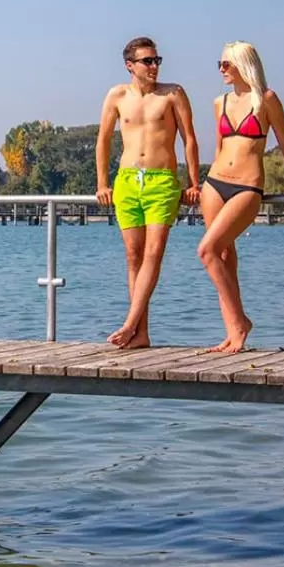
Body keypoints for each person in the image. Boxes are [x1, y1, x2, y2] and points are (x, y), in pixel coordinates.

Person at [198, 41, 284, 354]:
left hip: (247, 186)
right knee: (222, 256)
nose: (221, 70)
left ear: (243, 65)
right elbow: (219, 148)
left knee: (206, 250)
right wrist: (199, 184)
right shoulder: (219, 102)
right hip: (215, 184)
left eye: (226, 64)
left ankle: (241, 322)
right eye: (218, 64)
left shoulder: (267, 99)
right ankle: (233, 332)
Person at [95, 36, 201, 349]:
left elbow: (190, 139)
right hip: (127, 181)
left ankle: (129, 323)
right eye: (148, 61)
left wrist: (193, 182)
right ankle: (141, 333)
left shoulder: (173, 93)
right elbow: (103, 140)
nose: (154, 66)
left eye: (157, 61)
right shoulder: (117, 95)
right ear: (130, 65)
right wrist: (102, 183)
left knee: (154, 253)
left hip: (162, 181)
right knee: (133, 256)